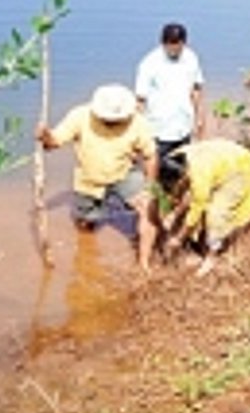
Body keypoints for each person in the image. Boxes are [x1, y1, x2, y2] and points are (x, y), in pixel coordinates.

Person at [36, 84, 159, 272]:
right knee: (85, 224)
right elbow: (53, 144)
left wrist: (150, 187)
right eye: (107, 119)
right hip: (89, 180)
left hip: (123, 174)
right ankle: (86, 257)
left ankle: (144, 263)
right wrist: (45, 136)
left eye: (117, 119)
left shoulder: (138, 123)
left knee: (148, 210)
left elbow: (151, 156)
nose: (112, 122)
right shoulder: (80, 116)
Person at [161, 138, 250, 277]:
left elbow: (195, 212)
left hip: (238, 169)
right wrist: (174, 214)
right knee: (187, 199)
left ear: (184, 177)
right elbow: (183, 197)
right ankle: (197, 247)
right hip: (219, 161)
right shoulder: (171, 161)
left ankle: (212, 257)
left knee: (215, 215)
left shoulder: (200, 177)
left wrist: (178, 239)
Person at [135, 22, 204, 192]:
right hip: (159, 128)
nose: (174, 49)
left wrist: (200, 116)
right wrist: (138, 131)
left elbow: (196, 89)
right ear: (163, 43)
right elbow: (140, 100)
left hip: (183, 125)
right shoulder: (149, 64)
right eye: (170, 45)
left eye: (177, 44)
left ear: (184, 43)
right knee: (156, 171)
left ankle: (177, 197)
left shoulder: (191, 58)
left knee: (181, 170)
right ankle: (156, 198)